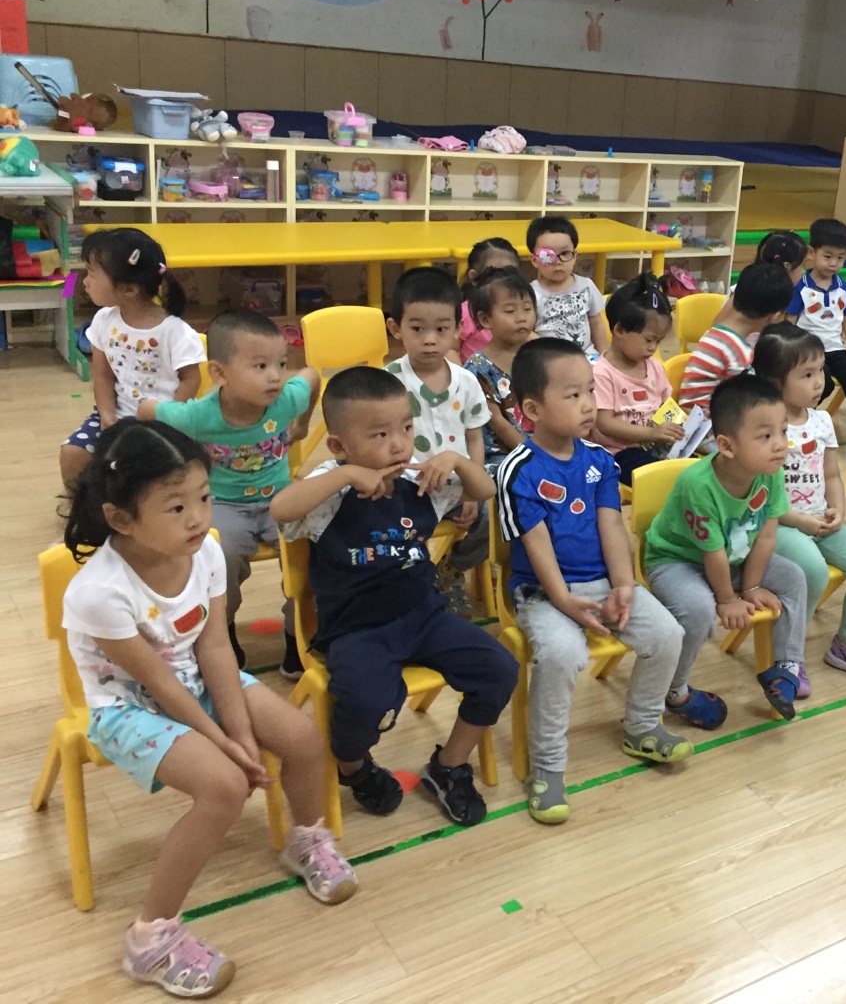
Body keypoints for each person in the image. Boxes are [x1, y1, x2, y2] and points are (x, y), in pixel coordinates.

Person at [63, 420, 356, 997]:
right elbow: (157, 684)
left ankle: (306, 839)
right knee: (225, 787)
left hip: (196, 680)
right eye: (176, 507)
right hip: (129, 705)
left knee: (301, 738)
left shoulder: (206, 553)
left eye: (203, 497)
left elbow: (216, 647)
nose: (198, 517)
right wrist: (226, 744)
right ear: (121, 519)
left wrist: (241, 732)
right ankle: (149, 937)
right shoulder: (99, 592)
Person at [270, 367, 518, 825]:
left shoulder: (415, 477)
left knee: (500, 669)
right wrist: (346, 475)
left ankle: (448, 766)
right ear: (339, 445)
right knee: (365, 702)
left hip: (424, 616)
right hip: (356, 629)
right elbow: (281, 509)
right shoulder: (332, 485)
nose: (399, 444)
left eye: (406, 427)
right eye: (380, 434)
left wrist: (457, 459)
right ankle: (353, 767)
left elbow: (484, 490)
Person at [496, 339, 690, 825]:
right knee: (563, 655)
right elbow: (536, 546)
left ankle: (641, 726)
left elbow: (611, 528)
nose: (589, 404)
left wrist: (624, 585)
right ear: (532, 410)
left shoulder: (600, 460)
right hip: (542, 593)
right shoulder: (518, 470)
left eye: (590, 391)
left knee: (669, 634)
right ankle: (547, 766)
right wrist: (563, 600)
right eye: (574, 395)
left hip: (604, 583)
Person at [138, 310, 319, 675]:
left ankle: (298, 633)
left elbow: (312, 376)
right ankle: (223, 630)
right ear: (219, 373)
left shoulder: (286, 399)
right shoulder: (197, 416)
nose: (275, 376)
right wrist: (170, 465)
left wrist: (301, 425)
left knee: (313, 550)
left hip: (280, 499)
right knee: (219, 556)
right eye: (261, 366)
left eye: (281, 364)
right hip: (222, 504)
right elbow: (145, 411)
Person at [645, 376, 810, 725]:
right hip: (676, 560)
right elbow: (713, 552)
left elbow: (766, 537)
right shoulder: (697, 485)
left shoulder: (770, 472)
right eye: (765, 436)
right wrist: (726, 599)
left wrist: (751, 587)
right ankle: (675, 691)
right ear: (727, 446)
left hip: (733, 556)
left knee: (794, 577)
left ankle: (786, 667)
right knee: (698, 610)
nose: (780, 445)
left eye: (783, 431)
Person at [753, 324, 846, 690]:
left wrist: (838, 510)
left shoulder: (822, 420)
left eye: (820, 371)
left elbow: (831, 473)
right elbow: (762, 498)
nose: (820, 382)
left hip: (819, 520)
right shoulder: (763, 428)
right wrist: (801, 521)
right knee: (811, 572)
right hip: (778, 525)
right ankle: (788, 658)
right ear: (773, 381)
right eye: (807, 374)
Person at [382, 267, 493, 612]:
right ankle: (418, 583)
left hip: (458, 486)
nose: (430, 339)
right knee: (392, 536)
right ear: (395, 329)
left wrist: (472, 491)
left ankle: (451, 569)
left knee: (495, 518)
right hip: (408, 490)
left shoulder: (467, 381)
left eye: (441, 329)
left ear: (458, 329)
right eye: (417, 329)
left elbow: (475, 439)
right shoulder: (388, 382)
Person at [60, 229, 205, 492]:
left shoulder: (175, 332)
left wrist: (168, 418)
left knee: (150, 479)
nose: (84, 282)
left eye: (91, 274)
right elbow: (103, 375)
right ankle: (85, 508)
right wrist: (106, 415)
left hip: (165, 422)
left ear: (129, 289)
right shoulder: (103, 321)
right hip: (117, 416)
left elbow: (190, 379)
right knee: (72, 453)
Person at [593, 275, 687, 483]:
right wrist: (650, 434)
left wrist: (683, 426)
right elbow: (604, 424)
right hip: (618, 453)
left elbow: (666, 407)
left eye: (658, 341)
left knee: (695, 469)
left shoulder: (654, 367)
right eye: (649, 340)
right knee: (663, 476)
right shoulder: (602, 373)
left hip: (655, 447)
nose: (653, 348)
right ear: (619, 330)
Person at [678, 261, 794, 415]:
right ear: (775, 316)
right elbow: (744, 402)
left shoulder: (716, 333)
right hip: (706, 421)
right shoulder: (738, 352)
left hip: (697, 412)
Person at [786, 217, 846, 416]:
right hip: (809, 351)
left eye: (840, 258)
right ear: (812, 253)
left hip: (836, 350)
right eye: (828, 256)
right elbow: (789, 323)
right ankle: (802, 417)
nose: (833, 263)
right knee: (824, 384)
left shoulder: (843, 288)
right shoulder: (801, 287)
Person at [464, 265, 538, 472]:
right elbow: (497, 422)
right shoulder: (477, 368)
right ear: (485, 319)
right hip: (502, 457)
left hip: (543, 446)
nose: (521, 317)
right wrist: (535, 457)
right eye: (510, 311)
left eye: (527, 308)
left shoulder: (539, 355)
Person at [526, 215, 605, 355]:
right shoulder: (530, 293)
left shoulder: (586, 285)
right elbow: (526, 331)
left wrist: (604, 354)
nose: (557, 261)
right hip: (549, 358)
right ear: (534, 260)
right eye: (547, 255)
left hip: (586, 355)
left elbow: (596, 322)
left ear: (574, 256)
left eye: (565, 253)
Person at [453, 236, 522, 363]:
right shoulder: (467, 312)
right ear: (474, 277)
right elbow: (451, 349)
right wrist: (461, 374)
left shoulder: (519, 308)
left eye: (510, 274)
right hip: (475, 374)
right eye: (494, 274)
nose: (503, 280)